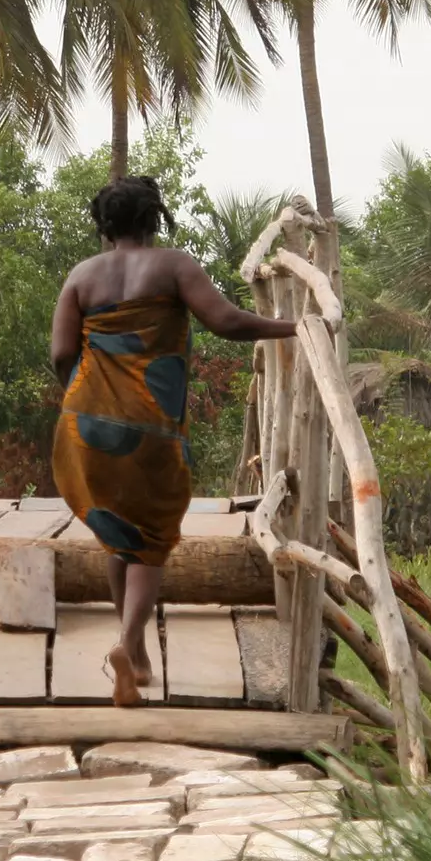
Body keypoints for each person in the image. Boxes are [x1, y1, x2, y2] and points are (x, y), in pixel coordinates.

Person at [49, 177, 298, 706]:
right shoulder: (174, 266)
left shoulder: (81, 276)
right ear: (153, 219)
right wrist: (294, 327)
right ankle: (128, 642)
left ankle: (136, 654)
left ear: (105, 225)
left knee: (120, 531)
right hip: (149, 425)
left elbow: (60, 353)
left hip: (86, 421)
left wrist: (85, 402)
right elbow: (225, 321)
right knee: (154, 535)